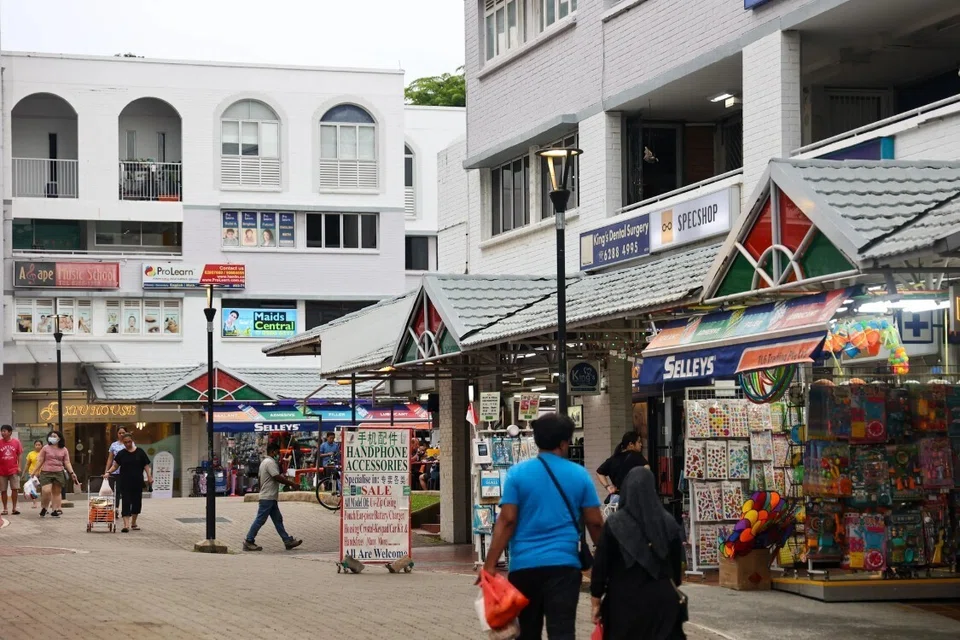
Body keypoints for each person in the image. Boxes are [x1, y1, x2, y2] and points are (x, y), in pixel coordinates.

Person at [483, 413, 603, 640]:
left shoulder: (517, 474)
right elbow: (595, 522)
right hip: (564, 566)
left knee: (527, 633)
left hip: (524, 567)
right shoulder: (579, 475)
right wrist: (606, 561)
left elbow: (507, 520)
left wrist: (490, 565)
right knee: (562, 632)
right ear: (564, 443)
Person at [590, 467, 686, 640]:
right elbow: (676, 573)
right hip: (663, 606)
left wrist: (596, 601)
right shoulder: (669, 523)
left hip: (623, 603)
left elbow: (601, 566)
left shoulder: (614, 524)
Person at [243, 442, 303, 552]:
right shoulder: (270, 462)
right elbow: (277, 477)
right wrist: (292, 484)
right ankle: (249, 540)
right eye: (277, 452)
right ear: (272, 452)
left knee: (277, 519)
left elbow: (261, 479)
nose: (278, 455)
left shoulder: (264, 462)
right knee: (260, 520)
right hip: (268, 497)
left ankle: (287, 540)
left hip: (269, 496)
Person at [103, 433, 152, 533]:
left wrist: (149, 476)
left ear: (132, 441)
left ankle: (133, 522)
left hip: (137, 481)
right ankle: (126, 525)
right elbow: (115, 465)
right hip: (125, 481)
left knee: (136, 502)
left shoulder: (140, 452)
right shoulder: (122, 453)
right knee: (126, 501)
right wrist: (108, 472)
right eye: (125, 442)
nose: (127, 444)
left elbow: (146, 465)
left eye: (129, 442)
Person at [32, 430, 79, 518]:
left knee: (56, 492)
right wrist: (34, 471)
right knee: (46, 491)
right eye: (51, 436)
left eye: (54, 436)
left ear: (59, 438)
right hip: (46, 472)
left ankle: (54, 510)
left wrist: (72, 473)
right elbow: (40, 460)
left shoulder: (64, 449)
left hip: (59, 472)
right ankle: (44, 507)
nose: (52, 438)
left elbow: (67, 462)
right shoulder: (45, 448)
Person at [596, 432, 650, 503]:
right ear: (631, 444)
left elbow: (599, 472)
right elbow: (646, 469)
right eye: (639, 442)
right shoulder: (636, 456)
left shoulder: (613, 458)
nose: (641, 444)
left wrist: (608, 486)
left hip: (616, 498)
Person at [0, 425, 24, 516]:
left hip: (13, 469)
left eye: (4, 431)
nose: (3, 433)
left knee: (15, 489)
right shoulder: (0, 442)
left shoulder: (16, 442)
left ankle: (14, 508)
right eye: (2, 431)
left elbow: (19, 455)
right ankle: (5, 508)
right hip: (2, 470)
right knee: (3, 490)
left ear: (10, 432)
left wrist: (19, 466)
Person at [105, 427, 128, 516]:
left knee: (126, 491)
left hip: (126, 471)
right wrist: (107, 471)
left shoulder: (129, 444)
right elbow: (110, 459)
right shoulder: (113, 445)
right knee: (116, 491)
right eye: (120, 433)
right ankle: (116, 509)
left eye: (123, 433)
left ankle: (126, 510)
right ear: (117, 434)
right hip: (115, 471)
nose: (121, 434)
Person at [23, 440, 43, 508]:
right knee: (32, 489)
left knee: (43, 489)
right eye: (36, 445)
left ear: (42, 446)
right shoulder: (30, 454)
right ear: (34, 446)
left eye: (39, 445)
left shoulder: (44, 453)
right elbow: (27, 464)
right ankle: (35, 503)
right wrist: (23, 473)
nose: (37, 446)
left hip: (42, 473)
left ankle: (43, 503)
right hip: (32, 473)